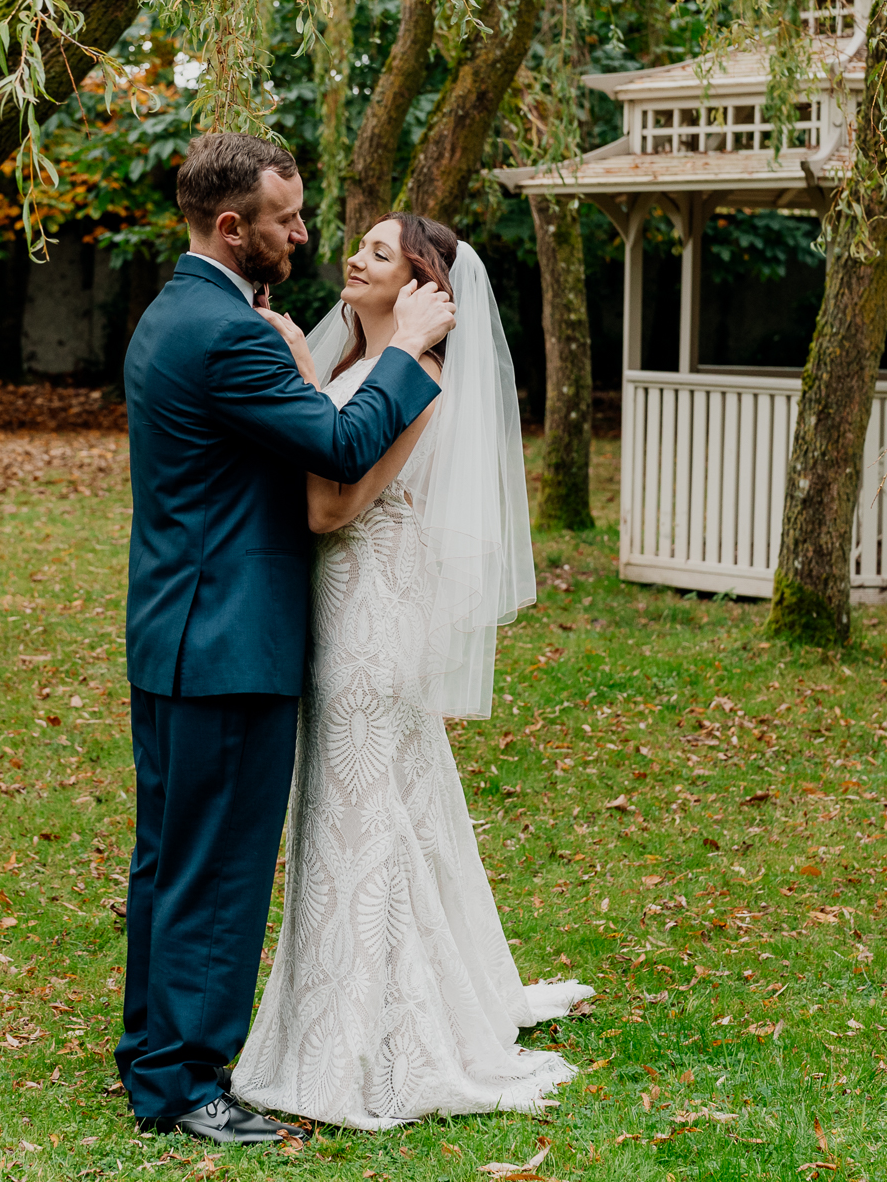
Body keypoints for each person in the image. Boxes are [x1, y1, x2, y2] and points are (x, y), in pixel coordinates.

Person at [118, 135, 457, 1145]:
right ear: (234, 226)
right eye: (288, 217)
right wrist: (405, 352)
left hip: (175, 635)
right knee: (217, 870)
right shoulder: (235, 335)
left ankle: (149, 1055)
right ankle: (185, 1082)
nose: (304, 234)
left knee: (167, 860)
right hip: (231, 643)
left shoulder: (171, 312)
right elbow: (344, 446)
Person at [231, 213, 594, 1130]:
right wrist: (311, 373)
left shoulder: (419, 379)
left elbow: (329, 506)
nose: (353, 257)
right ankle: (395, 1006)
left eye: (380, 253)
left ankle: (354, 1047)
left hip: (366, 633)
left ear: (427, 286)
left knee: (353, 832)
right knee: (387, 820)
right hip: (349, 624)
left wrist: (305, 375)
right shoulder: (373, 366)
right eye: (358, 244)